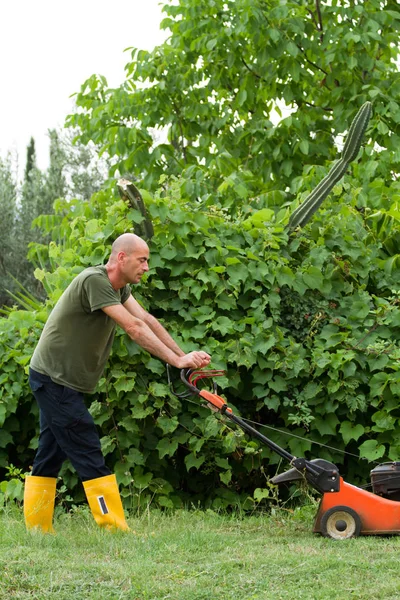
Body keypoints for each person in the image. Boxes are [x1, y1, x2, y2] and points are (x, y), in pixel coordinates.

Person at [24, 233, 211, 533]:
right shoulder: (94, 281)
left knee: (50, 451)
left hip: (61, 379)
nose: (147, 268)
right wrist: (176, 362)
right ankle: (113, 527)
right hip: (53, 377)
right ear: (121, 258)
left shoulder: (118, 288)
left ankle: (36, 527)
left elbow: (146, 319)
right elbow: (134, 328)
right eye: (142, 260)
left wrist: (183, 356)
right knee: (85, 441)